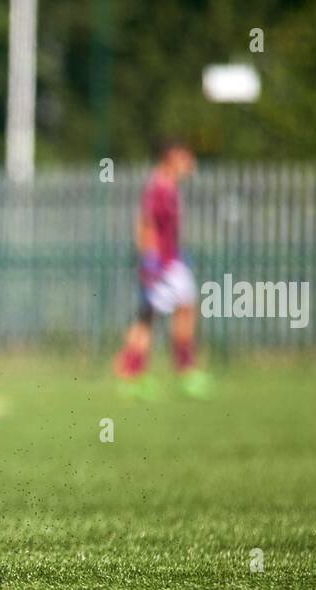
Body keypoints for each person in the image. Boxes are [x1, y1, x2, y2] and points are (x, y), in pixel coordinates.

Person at [113, 139, 211, 398]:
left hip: (171, 261)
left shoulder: (169, 187)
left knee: (154, 315)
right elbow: (145, 224)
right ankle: (181, 370)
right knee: (167, 312)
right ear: (172, 158)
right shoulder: (158, 187)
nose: (191, 163)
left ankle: (132, 371)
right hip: (161, 265)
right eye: (186, 157)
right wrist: (149, 258)